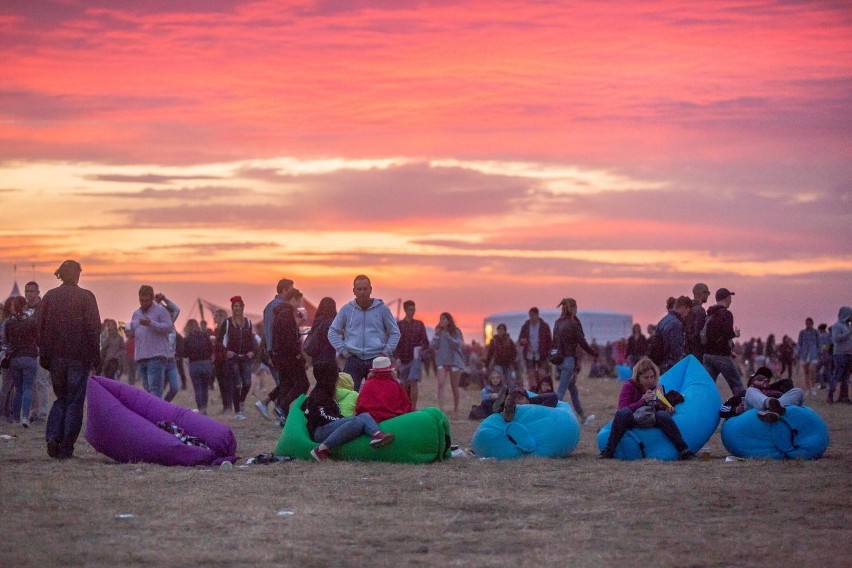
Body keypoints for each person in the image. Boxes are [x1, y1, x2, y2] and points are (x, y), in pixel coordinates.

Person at [36, 260, 101, 459]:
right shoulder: (86, 297)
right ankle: (65, 447)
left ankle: (53, 437)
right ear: (77, 274)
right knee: (74, 402)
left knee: (61, 399)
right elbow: (93, 329)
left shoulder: (49, 297)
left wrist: (45, 354)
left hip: (56, 359)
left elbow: (40, 328)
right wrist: (95, 357)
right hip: (78, 358)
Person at [598, 357, 694, 460]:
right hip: (633, 419)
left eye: (652, 377)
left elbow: (658, 410)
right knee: (623, 413)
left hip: (650, 418)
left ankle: (684, 450)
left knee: (662, 415)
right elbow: (622, 409)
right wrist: (643, 401)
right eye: (646, 377)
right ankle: (609, 451)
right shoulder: (629, 386)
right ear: (638, 377)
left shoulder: (657, 388)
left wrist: (666, 409)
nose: (649, 380)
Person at [301, 360, 395, 462]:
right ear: (331, 376)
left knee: (364, 415)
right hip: (320, 431)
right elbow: (322, 416)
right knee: (356, 421)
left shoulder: (328, 392)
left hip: (329, 426)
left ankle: (377, 434)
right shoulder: (319, 395)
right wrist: (345, 420)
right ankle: (321, 449)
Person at [327, 275, 400, 391]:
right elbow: (332, 332)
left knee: (378, 396)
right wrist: (343, 351)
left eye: (365, 289)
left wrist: (385, 353)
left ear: (371, 289)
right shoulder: (346, 309)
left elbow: (395, 332)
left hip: (377, 360)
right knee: (348, 395)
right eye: (359, 289)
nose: (362, 292)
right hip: (353, 358)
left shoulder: (382, 309)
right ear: (354, 291)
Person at [552, 297, 598, 424]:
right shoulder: (574, 323)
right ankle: (551, 418)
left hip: (559, 361)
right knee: (560, 393)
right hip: (568, 361)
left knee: (572, 389)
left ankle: (583, 417)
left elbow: (554, 343)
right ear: (573, 308)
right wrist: (594, 354)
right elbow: (582, 342)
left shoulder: (558, 322)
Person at [269, 288, 309, 423]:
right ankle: (281, 407)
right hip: (289, 357)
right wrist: (299, 356)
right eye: (299, 301)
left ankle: (283, 415)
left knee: (286, 385)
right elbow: (289, 339)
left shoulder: (280, 313)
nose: (300, 304)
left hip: (281, 356)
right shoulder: (286, 314)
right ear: (293, 299)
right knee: (303, 384)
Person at [130, 285, 173, 399]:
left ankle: (157, 416)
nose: (143, 303)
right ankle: (156, 414)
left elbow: (169, 328)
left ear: (152, 298)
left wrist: (151, 323)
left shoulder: (160, 310)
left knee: (155, 390)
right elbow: (132, 329)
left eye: (146, 300)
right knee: (148, 389)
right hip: (141, 356)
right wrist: (128, 333)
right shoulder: (136, 314)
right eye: (141, 300)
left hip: (156, 355)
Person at [701, 288, 746, 397]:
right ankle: (742, 408)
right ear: (726, 299)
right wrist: (735, 334)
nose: (731, 300)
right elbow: (726, 333)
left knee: (708, 386)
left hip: (707, 355)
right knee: (737, 385)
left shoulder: (710, 313)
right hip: (722, 356)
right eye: (730, 298)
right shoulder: (726, 314)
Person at [217, 296, 255, 420]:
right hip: (232, 358)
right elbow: (219, 340)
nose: (237, 308)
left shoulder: (248, 322)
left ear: (243, 307)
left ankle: (241, 401)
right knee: (236, 384)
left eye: (239, 306)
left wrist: (252, 351)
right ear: (232, 308)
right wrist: (226, 351)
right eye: (235, 306)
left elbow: (251, 339)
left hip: (245, 357)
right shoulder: (227, 323)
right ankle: (238, 411)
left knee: (247, 383)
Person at [4, 296, 38, 428]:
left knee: (18, 390)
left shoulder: (9, 323)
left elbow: (6, 339)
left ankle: (15, 418)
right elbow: (37, 338)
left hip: (14, 358)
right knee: (28, 388)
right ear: (25, 306)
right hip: (29, 357)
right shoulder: (31, 322)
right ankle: (25, 417)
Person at [394, 300, 429, 410]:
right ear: (405, 310)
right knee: (404, 384)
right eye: (410, 309)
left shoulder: (419, 325)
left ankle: (413, 407)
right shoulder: (399, 325)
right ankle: (406, 406)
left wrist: (421, 350)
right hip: (403, 358)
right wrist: (397, 357)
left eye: (413, 310)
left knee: (414, 382)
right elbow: (395, 342)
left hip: (415, 358)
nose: (412, 312)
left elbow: (425, 342)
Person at [354, 356, 412, 422]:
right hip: (395, 420)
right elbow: (407, 406)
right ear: (391, 371)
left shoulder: (368, 384)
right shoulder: (395, 385)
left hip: (372, 422)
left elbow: (360, 407)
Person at [24, 281, 50, 423]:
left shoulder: (43, 308)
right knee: (31, 382)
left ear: (38, 292)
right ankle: (34, 410)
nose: (29, 294)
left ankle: (42, 412)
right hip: (27, 349)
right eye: (27, 291)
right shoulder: (23, 308)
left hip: (41, 348)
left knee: (42, 380)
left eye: (32, 291)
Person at [431, 311, 465, 414]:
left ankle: (456, 409)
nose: (441, 321)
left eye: (444, 318)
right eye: (440, 318)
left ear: (449, 320)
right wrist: (437, 335)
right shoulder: (438, 331)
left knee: (454, 386)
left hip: (454, 361)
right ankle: (441, 409)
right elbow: (434, 345)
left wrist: (448, 337)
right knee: (440, 384)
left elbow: (457, 345)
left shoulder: (456, 331)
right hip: (442, 360)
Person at [182, 319, 213, 414]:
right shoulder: (205, 336)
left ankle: (201, 409)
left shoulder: (187, 339)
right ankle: (205, 408)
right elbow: (211, 349)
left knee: (198, 389)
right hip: (206, 364)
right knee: (205, 388)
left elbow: (184, 354)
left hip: (194, 365)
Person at [518, 307, 552, 391]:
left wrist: (549, 353)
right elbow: (520, 339)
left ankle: (542, 389)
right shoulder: (526, 326)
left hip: (542, 354)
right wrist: (522, 341)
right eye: (530, 315)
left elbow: (549, 341)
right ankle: (533, 391)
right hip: (529, 354)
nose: (531, 317)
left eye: (533, 315)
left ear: (537, 315)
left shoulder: (544, 326)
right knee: (531, 374)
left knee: (542, 374)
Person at [655, 295, 691, 373]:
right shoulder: (676, 324)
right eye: (688, 310)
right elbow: (676, 348)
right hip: (671, 364)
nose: (687, 314)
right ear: (684, 308)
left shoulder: (662, 321)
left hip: (661, 363)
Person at [827, 306, 852, 404]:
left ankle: (844, 397)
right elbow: (836, 339)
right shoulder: (836, 326)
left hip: (849, 354)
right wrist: (849, 333)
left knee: (846, 378)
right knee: (837, 375)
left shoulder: (848, 326)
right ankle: (830, 396)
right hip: (840, 355)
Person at [485, 323, 518, 388]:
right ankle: (500, 394)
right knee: (498, 379)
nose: (500, 331)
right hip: (497, 364)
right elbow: (490, 353)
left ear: (505, 331)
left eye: (502, 329)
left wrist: (512, 361)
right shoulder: (494, 341)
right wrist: (487, 364)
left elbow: (514, 352)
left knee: (510, 381)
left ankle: (511, 395)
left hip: (508, 364)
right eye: (499, 329)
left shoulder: (509, 341)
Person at [684, 282, 710, 362]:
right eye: (707, 293)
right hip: (696, 352)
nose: (708, 296)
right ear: (702, 294)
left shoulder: (687, 308)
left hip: (686, 350)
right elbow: (698, 333)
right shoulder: (700, 310)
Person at [796, 318, 819, 396]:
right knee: (806, 373)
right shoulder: (802, 332)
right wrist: (798, 352)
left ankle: (813, 388)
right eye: (807, 323)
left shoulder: (816, 332)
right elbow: (799, 343)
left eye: (809, 323)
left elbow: (819, 343)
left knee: (812, 371)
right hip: (804, 353)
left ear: (812, 323)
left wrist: (819, 353)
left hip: (813, 353)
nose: (808, 324)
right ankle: (808, 388)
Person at [815, 323, 832, 390]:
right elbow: (831, 343)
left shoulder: (821, 336)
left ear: (821, 329)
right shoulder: (829, 334)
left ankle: (822, 384)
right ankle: (831, 385)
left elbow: (822, 347)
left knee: (816, 370)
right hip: (829, 355)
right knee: (828, 371)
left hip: (823, 355)